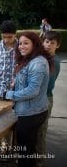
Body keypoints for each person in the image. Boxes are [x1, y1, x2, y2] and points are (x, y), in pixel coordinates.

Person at [4, 31, 53, 167]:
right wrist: (16, 84)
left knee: (24, 152)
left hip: (31, 113)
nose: (21, 46)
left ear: (35, 44)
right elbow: (28, 83)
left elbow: (32, 91)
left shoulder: (37, 63)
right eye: (20, 43)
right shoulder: (32, 59)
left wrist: (10, 95)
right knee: (29, 149)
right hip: (33, 111)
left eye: (26, 43)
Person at [36, 30, 62, 167]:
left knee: (41, 131)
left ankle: (39, 161)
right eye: (46, 42)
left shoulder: (54, 62)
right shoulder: (41, 57)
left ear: (57, 45)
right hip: (34, 98)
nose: (48, 45)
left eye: (52, 43)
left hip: (45, 99)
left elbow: (45, 86)